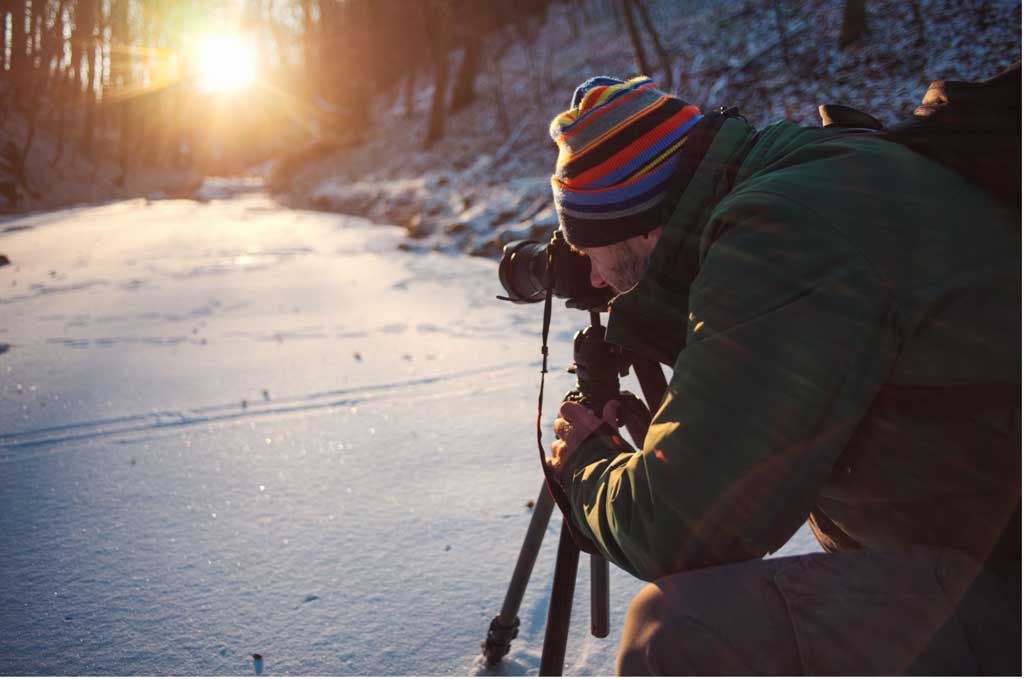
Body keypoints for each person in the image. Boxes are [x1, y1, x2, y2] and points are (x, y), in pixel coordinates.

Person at [545, 76, 1020, 675]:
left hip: (1003, 576)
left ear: (644, 224)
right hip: (983, 543)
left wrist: (583, 467)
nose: (592, 279)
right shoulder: (821, 171)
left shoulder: (780, 234)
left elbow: (682, 526)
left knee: (680, 635)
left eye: (590, 248)